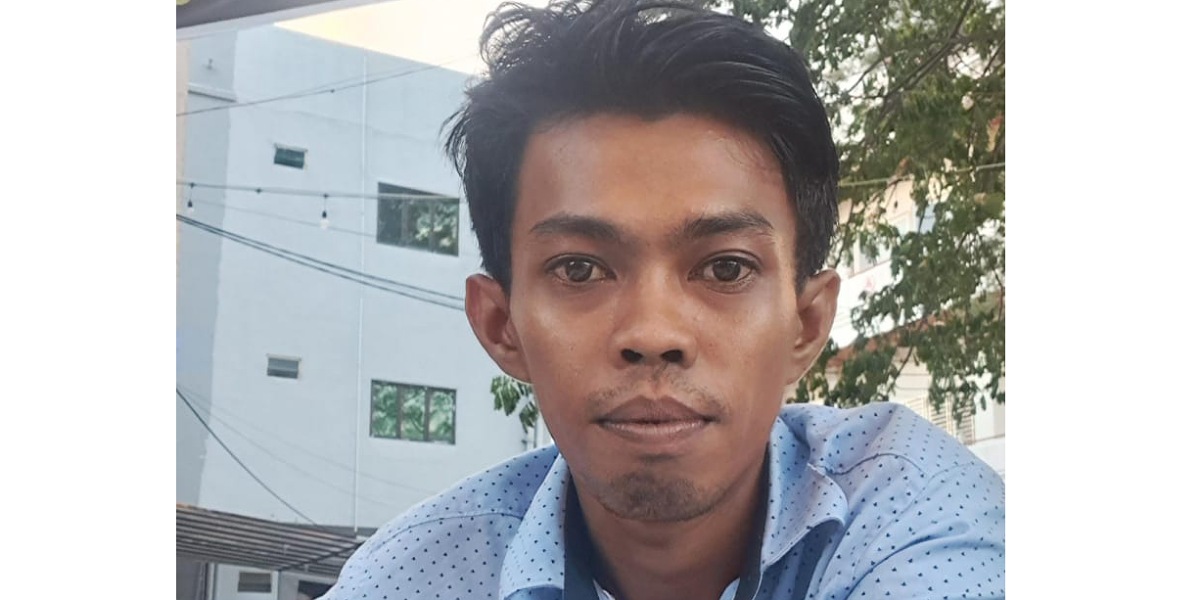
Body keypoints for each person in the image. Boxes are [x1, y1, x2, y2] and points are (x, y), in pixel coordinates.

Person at [322, 0, 1004, 598]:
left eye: (726, 268)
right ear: (502, 326)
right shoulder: (409, 578)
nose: (653, 332)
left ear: (806, 322)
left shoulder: (920, 519)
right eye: (580, 269)